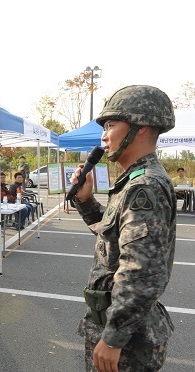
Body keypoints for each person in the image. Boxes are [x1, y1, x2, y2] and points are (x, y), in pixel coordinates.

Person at [70, 85, 176, 372]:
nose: (104, 135)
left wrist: (114, 338)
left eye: (111, 125)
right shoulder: (134, 180)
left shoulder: (144, 186)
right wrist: (85, 201)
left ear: (140, 128)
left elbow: (141, 271)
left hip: (127, 340)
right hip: (120, 328)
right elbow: (114, 242)